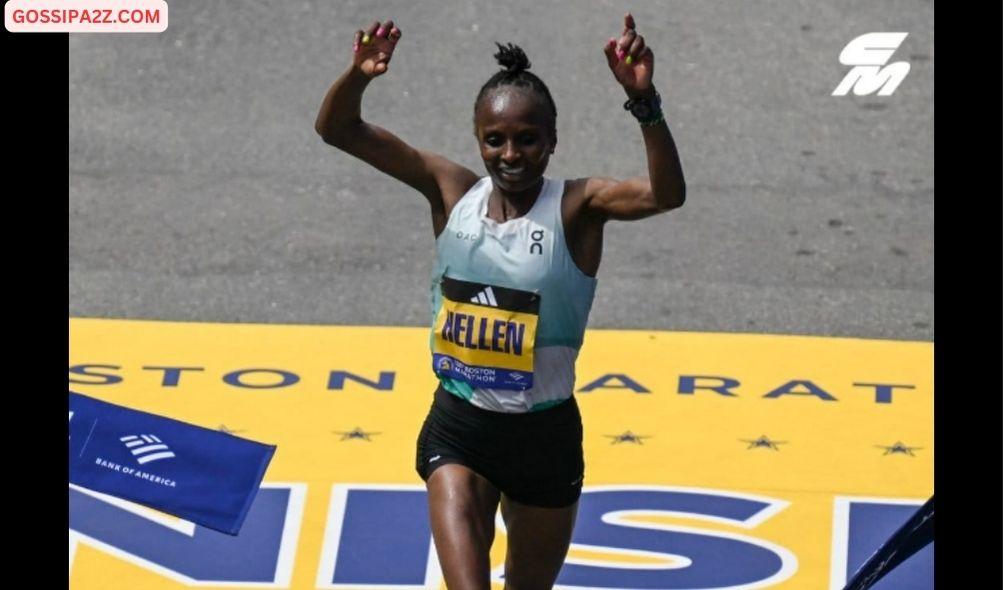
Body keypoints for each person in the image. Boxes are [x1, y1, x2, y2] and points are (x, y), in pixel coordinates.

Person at [315, 13, 685, 589]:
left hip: (546, 437)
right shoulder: (451, 191)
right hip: (459, 429)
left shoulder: (578, 208)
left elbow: (667, 194)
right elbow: (338, 130)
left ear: (552, 141)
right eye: (495, 140)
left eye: (527, 139)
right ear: (478, 140)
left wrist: (645, 102)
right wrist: (359, 75)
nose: (510, 154)